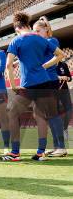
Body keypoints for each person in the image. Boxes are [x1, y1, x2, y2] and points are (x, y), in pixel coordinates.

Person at [1, 12, 64, 162]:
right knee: (41, 116)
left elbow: (8, 65)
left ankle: (15, 152)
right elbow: (61, 55)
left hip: (28, 85)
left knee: (12, 112)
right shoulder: (41, 39)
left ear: (17, 28)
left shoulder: (16, 41)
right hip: (45, 83)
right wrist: (45, 65)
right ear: (28, 25)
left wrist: (13, 85)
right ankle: (40, 152)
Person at [33, 17, 67, 156]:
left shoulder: (51, 41)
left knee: (53, 114)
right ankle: (57, 146)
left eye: (38, 31)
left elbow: (60, 56)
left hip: (51, 82)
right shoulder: (40, 44)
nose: (36, 34)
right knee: (49, 115)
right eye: (34, 31)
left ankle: (61, 147)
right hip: (44, 82)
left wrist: (45, 65)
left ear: (46, 29)